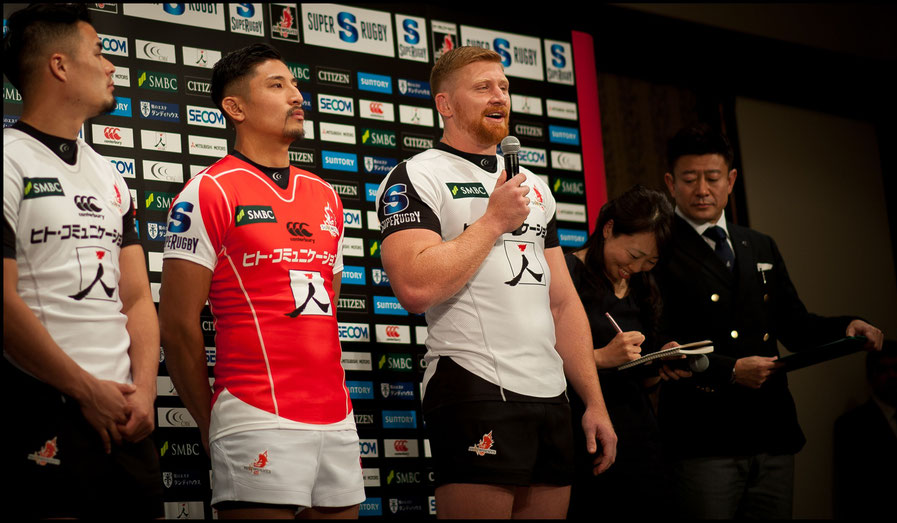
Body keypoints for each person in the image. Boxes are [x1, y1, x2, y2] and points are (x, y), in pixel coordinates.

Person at [376, 46, 617, 519]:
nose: (499, 96)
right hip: (474, 385)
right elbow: (414, 288)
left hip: (551, 396)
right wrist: (491, 222)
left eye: (504, 87)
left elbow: (563, 304)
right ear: (445, 104)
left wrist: (594, 402)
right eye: (482, 86)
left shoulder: (534, 185)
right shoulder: (417, 174)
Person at [158, 43, 364, 519]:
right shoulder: (210, 190)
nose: (296, 95)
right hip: (254, 413)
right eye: (277, 85)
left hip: (336, 416)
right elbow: (178, 327)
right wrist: (213, 426)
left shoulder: (327, 196)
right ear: (235, 108)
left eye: (294, 84)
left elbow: (327, 306)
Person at [656, 123, 884, 519]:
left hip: (771, 430)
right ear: (670, 183)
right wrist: (730, 371)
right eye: (690, 179)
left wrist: (847, 327)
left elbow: (795, 326)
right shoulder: (657, 247)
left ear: (730, 180)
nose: (702, 189)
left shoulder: (758, 244)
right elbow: (657, 342)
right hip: (703, 437)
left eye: (712, 178)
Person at [2, 4, 162, 518]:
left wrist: (143, 394)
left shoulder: (111, 175)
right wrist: (84, 389)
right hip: (42, 407)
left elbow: (136, 296)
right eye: (98, 51)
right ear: (59, 65)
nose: (112, 66)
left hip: (125, 415)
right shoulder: (8, 158)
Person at [563, 185, 688, 519]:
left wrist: (662, 359)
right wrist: (602, 357)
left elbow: (645, 373)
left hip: (638, 430)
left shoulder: (645, 287)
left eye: (651, 261)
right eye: (633, 256)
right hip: (581, 432)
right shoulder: (565, 275)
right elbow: (537, 355)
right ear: (609, 229)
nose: (637, 268)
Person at [834, 340, 897, 519]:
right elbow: (850, 495)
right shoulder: (851, 426)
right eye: (883, 370)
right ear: (870, 376)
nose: (892, 376)